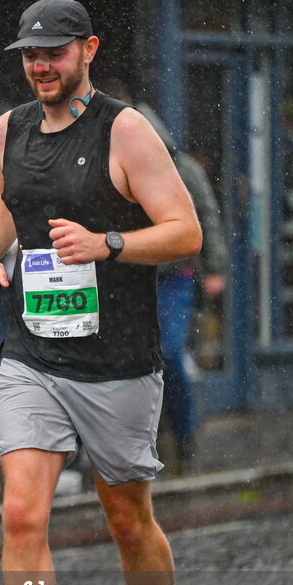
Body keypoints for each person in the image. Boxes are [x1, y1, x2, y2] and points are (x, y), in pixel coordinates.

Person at [0, 0, 202, 585]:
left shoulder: (125, 130)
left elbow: (183, 232)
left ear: (87, 51)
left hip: (116, 362)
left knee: (128, 522)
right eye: (30, 55)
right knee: (20, 515)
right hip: (32, 353)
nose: (40, 66)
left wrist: (107, 243)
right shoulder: (11, 128)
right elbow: (8, 202)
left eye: (54, 53)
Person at [101, 81, 227, 472]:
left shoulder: (178, 165)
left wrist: (216, 267)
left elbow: (205, 214)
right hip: (123, 278)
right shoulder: (103, 163)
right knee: (125, 359)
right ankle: (134, 442)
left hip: (173, 277)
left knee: (167, 354)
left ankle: (183, 435)